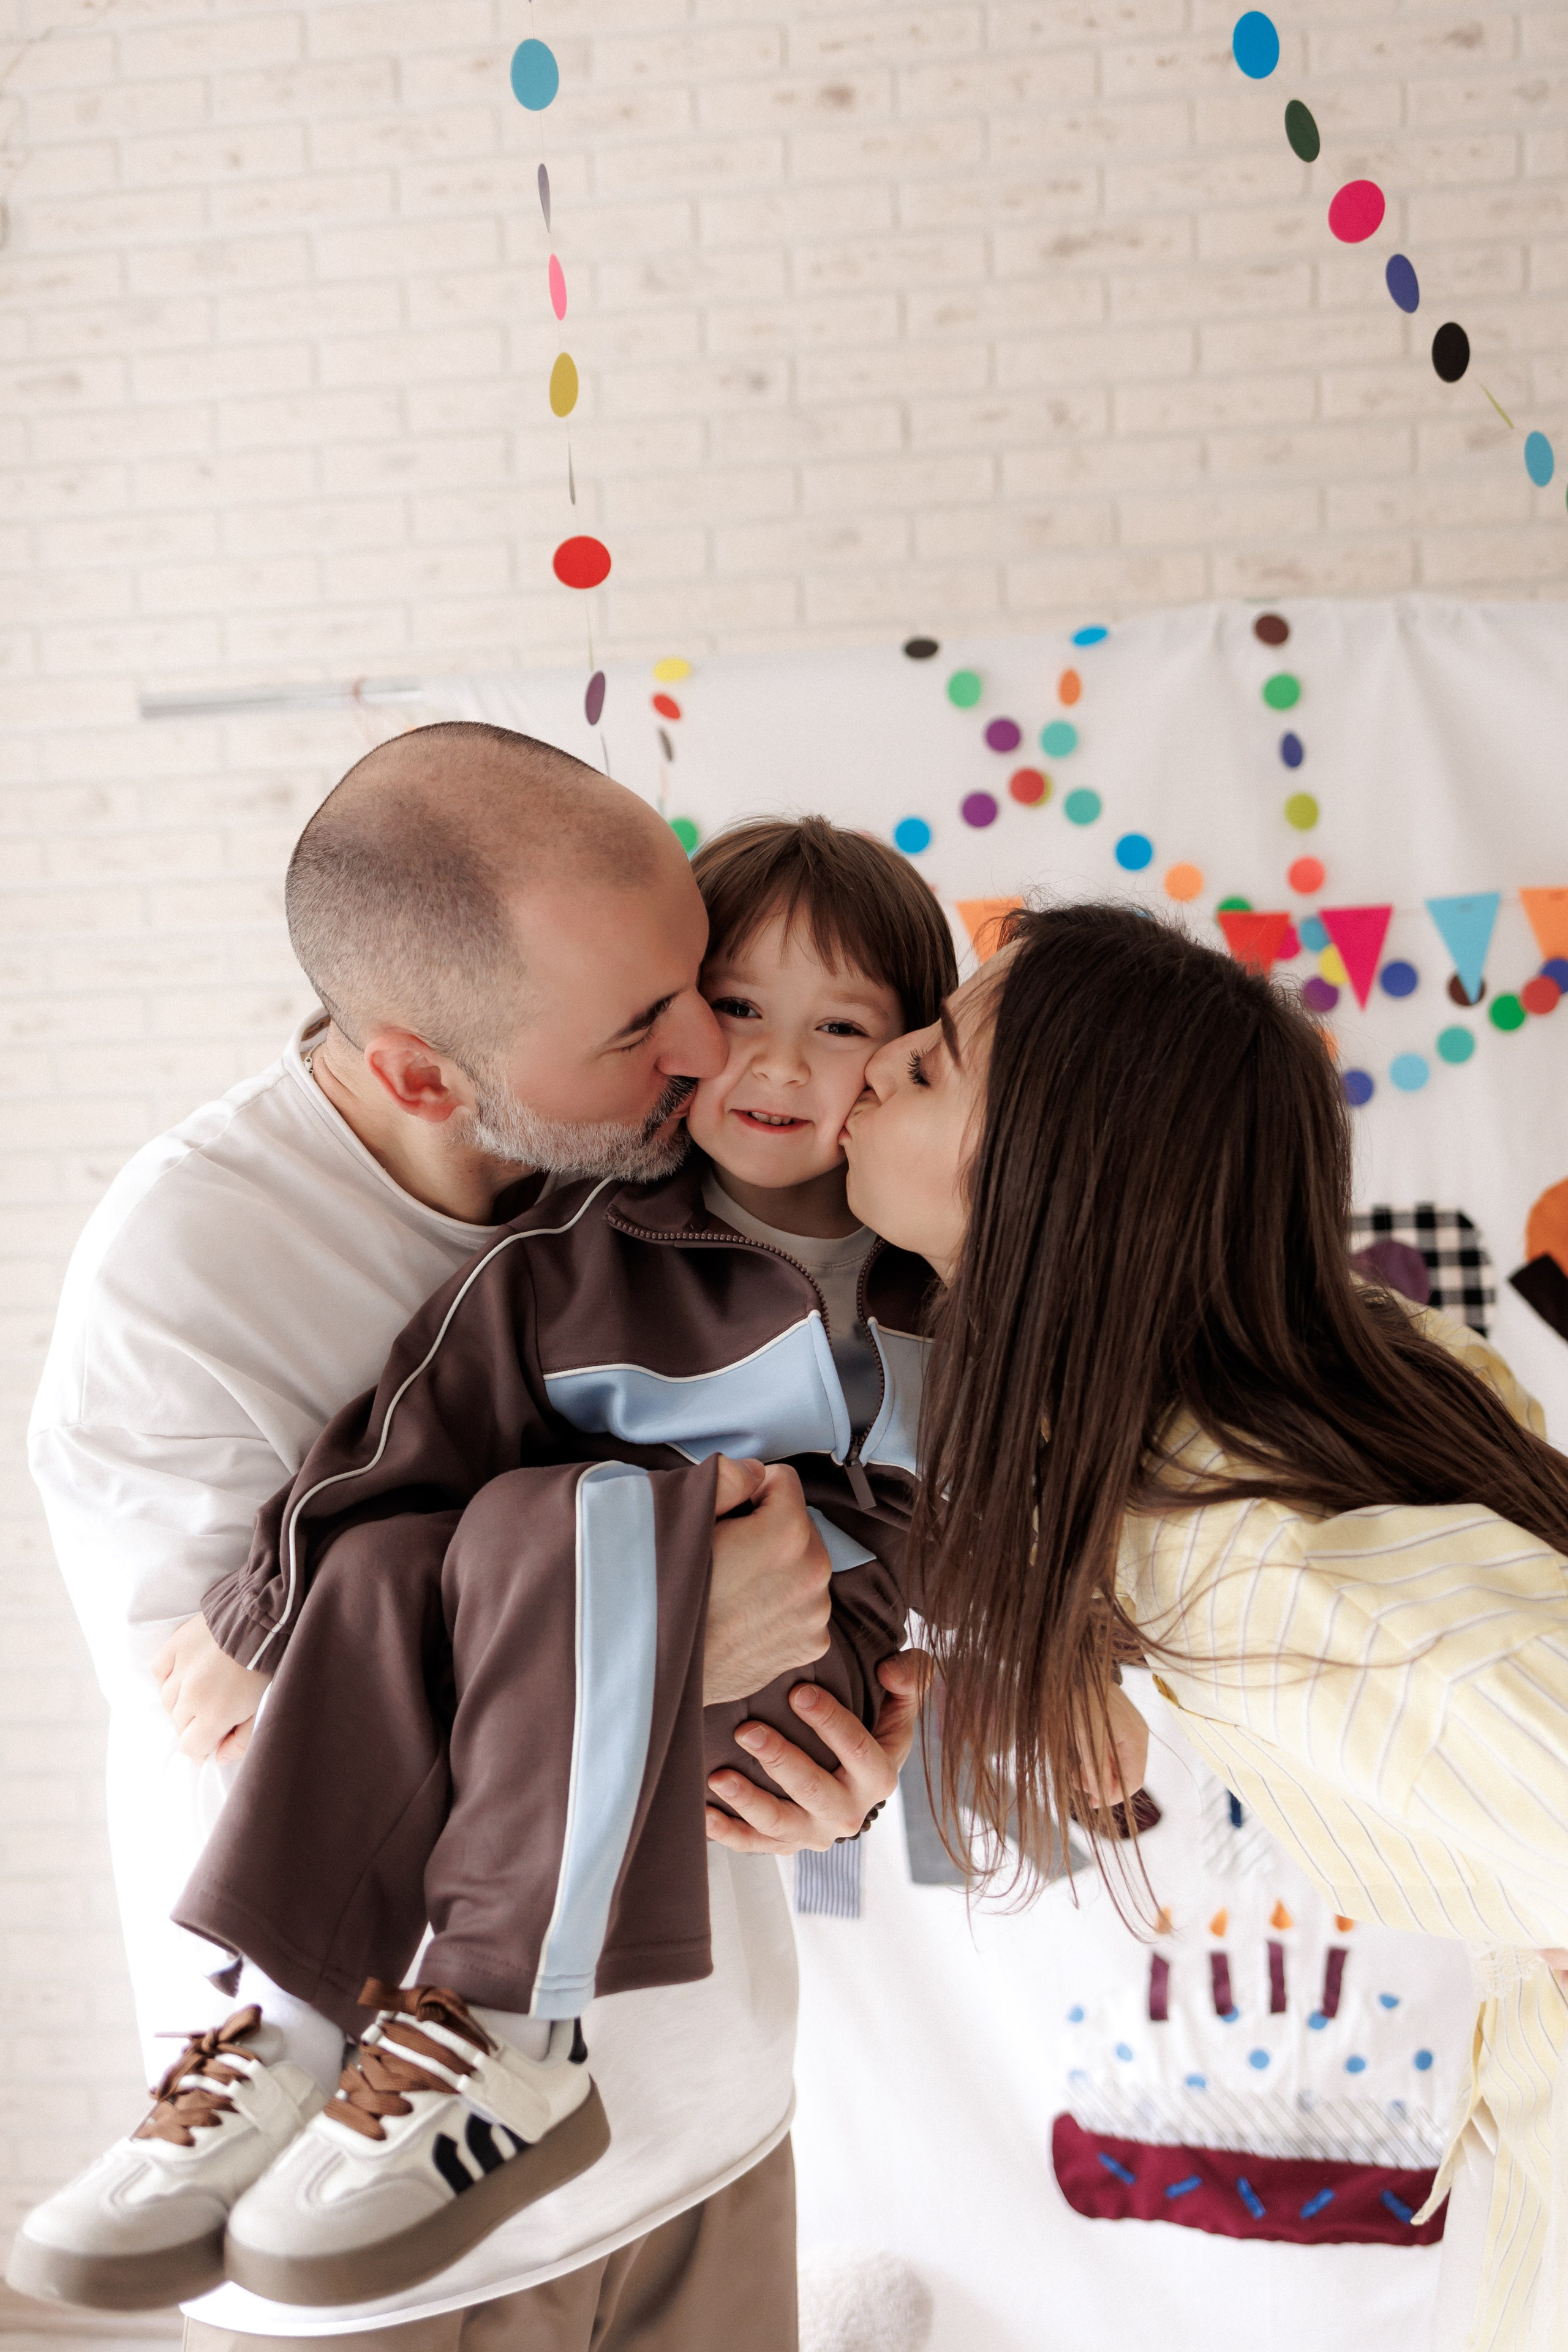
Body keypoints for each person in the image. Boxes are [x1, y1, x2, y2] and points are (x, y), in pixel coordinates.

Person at [19, 728, 918, 2352]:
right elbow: (250, 1728)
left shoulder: (701, 1164)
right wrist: (656, 1633)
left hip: (706, 2128)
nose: (710, 1049)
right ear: (427, 1075)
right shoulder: (191, 1271)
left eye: (696, 979)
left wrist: (842, 1753)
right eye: (645, 1024)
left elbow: (895, 1488)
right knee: (442, 1545)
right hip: (367, 2195)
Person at [841, 899, 1568, 2352]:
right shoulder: (1315, 1375)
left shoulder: (1250, 1574)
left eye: (924, 1065)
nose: (868, 1065)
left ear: (1049, 1176)